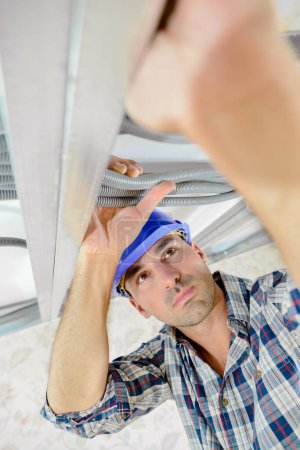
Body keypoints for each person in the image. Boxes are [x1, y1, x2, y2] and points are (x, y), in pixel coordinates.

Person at [40, 1, 300, 448]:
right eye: (141, 276)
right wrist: (98, 259)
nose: (167, 276)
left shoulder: (278, 303)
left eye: (169, 251)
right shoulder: (166, 363)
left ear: (198, 252)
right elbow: (77, 412)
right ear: (139, 306)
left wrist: (243, 95)